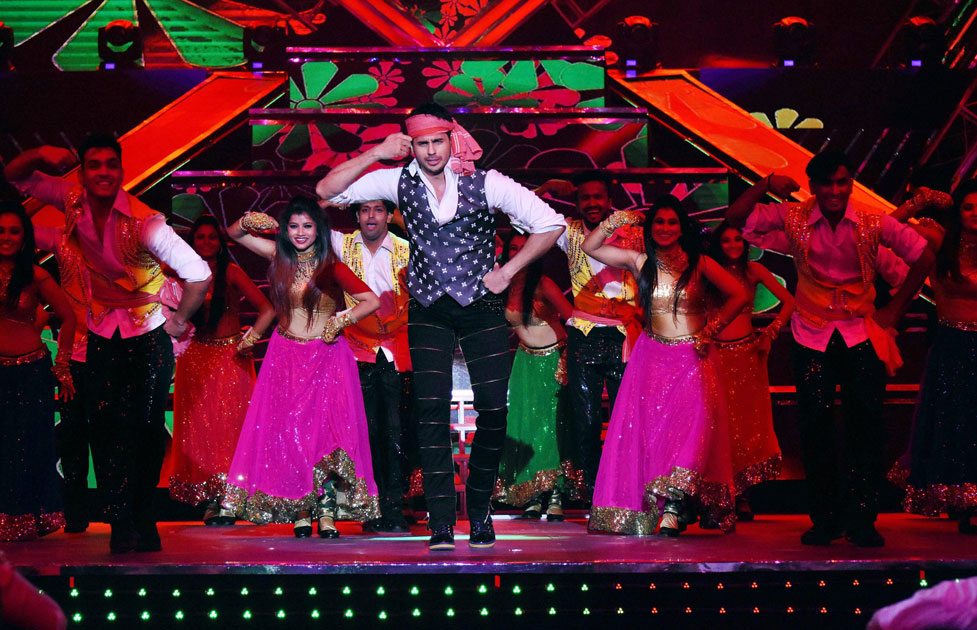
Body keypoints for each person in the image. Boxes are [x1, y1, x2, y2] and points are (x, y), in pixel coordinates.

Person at [316, 102, 566, 550]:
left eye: (437, 141)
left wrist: (508, 272)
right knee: (428, 413)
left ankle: (481, 506)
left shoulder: (485, 181)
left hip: (480, 307)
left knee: (493, 410)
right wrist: (375, 153)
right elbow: (328, 191)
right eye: (421, 143)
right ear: (409, 144)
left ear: (452, 139)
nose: (431, 151)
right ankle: (441, 521)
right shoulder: (396, 180)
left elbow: (550, 224)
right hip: (428, 308)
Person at [5, 136, 212, 553]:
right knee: (103, 430)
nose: (103, 172)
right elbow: (16, 176)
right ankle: (118, 520)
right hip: (100, 333)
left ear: (120, 170)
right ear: (82, 172)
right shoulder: (72, 198)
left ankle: (143, 516)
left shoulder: (146, 223)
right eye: (94, 165)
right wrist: (43, 154)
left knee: (148, 431)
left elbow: (200, 274)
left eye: (111, 165)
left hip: (148, 333)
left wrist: (178, 323)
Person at [726, 149, 934, 547]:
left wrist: (895, 308)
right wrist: (767, 184)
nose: (835, 191)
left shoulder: (873, 221)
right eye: (826, 184)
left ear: (850, 182)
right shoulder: (795, 217)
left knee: (866, 427)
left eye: (842, 182)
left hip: (861, 332)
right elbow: (736, 219)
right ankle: (824, 518)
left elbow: (924, 255)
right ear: (814, 186)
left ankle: (862, 519)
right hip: (810, 332)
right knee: (815, 427)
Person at [582, 196, 748, 536]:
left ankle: (674, 504)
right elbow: (590, 246)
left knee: (690, 431)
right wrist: (616, 220)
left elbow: (739, 295)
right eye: (659, 222)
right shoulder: (640, 260)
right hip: (652, 358)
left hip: (693, 358)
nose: (666, 228)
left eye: (672, 222)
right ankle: (665, 505)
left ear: (681, 227)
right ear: (650, 227)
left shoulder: (699, 263)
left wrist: (711, 330)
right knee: (654, 434)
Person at [222, 196, 381, 538]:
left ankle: (325, 509)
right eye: (293, 226)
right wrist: (252, 220)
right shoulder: (279, 257)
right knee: (291, 435)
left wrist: (340, 321)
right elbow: (234, 235)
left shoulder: (331, 266)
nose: (300, 233)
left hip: (327, 358)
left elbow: (372, 300)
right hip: (286, 357)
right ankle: (302, 509)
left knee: (324, 435)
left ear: (319, 229)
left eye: (307, 226)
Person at [538, 172, 644, 500]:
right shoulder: (568, 232)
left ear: (610, 199)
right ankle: (597, 493)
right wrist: (546, 187)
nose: (593, 203)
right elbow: (525, 214)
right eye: (585, 198)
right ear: (576, 201)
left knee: (626, 420)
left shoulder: (632, 230)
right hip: (584, 334)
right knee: (585, 422)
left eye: (599, 197)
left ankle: (627, 489)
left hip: (625, 336)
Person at [168, 215, 275, 525]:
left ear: (221, 241)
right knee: (202, 434)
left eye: (212, 237)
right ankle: (213, 500)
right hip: (196, 356)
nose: (206, 243)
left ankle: (233, 497)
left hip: (230, 358)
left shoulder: (231, 272)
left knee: (232, 431)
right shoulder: (183, 275)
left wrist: (250, 339)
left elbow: (269, 309)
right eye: (199, 238)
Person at [893, 180, 977, 534]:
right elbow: (883, 230)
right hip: (950, 344)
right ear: (958, 211)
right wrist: (920, 201)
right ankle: (959, 499)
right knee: (953, 422)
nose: (976, 214)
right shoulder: (940, 240)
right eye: (969, 207)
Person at [331, 199, 413, 534]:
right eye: (364, 210)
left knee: (397, 430)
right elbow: (301, 233)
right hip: (354, 351)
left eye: (378, 209)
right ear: (356, 216)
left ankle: (394, 506)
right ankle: (370, 506)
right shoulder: (343, 244)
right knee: (365, 432)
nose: (370, 216)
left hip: (398, 352)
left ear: (390, 215)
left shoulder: (408, 249)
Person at [706, 221, 793, 519]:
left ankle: (742, 493)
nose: (732, 245)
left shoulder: (753, 272)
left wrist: (772, 331)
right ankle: (719, 491)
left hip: (746, 356)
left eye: (738, 240)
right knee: (718, 425)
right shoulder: (708, 273)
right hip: (714, 354)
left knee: (745, 426)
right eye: (726, 241)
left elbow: (789, 300)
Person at [0, 201, 76, 542]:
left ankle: (30, 517)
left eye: (14, 231)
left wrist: (63, 366)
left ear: (24, 237)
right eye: (1, 230)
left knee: (29, 445)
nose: (6, 237)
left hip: (31, 371)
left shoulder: (33, 274)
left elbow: (70, 316)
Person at [495, 233, 578, 520]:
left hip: (554, 359)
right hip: (525, 363)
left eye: (524, 248)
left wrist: (568, 359)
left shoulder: (543, 284)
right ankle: (532, 493)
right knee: (526, 427)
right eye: (513, 248)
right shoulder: (502, 285)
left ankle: (554, 494)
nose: (519, 253)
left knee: (552, 429)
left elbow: (571, 317)